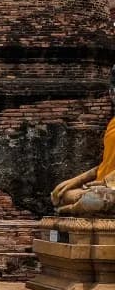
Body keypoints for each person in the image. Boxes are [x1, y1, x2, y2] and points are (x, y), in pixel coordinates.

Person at [50, 65, 115, 216]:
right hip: (102, 188)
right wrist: (76, 180)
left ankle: (67, 210)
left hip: (107, 189)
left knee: (95, 198)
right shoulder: (113, 123)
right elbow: (106, 164)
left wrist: (105, 182)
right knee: (60, 193)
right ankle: (84, 205)